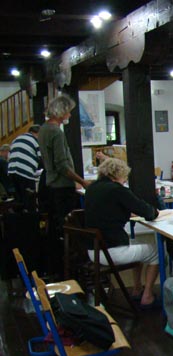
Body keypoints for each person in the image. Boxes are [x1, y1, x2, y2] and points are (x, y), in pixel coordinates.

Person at [85, 158, 161, 309]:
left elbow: (107, 210)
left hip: (93, 250)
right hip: (112, 251)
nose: (125, 180)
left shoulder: (92, 188)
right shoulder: (117, 190)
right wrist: (154, 211)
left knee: (139, 245)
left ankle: (137, 288)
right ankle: (147, 296)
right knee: (157, 252)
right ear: (118, 174)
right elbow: (149, 212)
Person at [38, 94, 90, 277]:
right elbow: (62, 165)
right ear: (61, 112)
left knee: (56, 229)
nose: (69, 115)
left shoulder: (43, 129)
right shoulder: (56, 132)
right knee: (68, 228)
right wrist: (82, 181)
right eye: (68, 112)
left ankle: (57, 268)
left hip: (51, 185)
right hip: (62, 187)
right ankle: (70, 269)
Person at [7, 125, 42, 210]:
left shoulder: (16, 139)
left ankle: (18, 216)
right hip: (25, 172)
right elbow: (42, 158)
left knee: (18, 200)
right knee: (30, 200)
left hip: (11, 171)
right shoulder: (35, 140)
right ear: (38, 133)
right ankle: (31, 217)